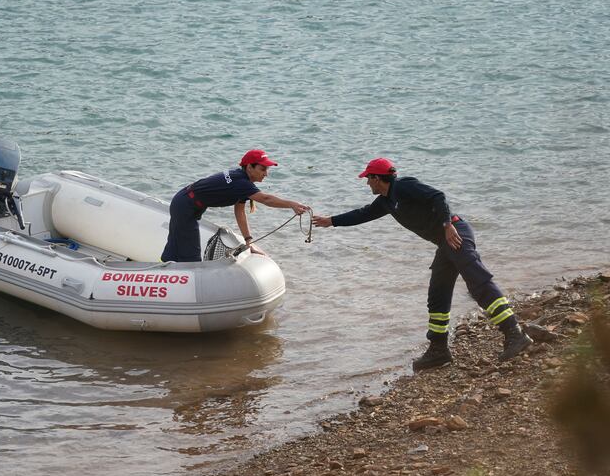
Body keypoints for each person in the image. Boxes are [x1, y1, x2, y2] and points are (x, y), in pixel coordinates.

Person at [311, 157, 533, 371]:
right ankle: (438, 350)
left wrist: (447, 225)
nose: (367, 182)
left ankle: (514, 333)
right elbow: (363, 214)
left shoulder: (404, 186)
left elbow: (438, 196)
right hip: (443, 243)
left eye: (368, 178)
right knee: (438, 293)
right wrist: (331, 221)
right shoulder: (386, 202)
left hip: (455, 235)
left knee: (478, 281)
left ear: (377, 178)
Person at [161, 149, 310, 262]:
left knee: (177, 245)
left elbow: (239, 212)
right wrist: (292, 204)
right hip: (185, 205)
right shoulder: (241, 183)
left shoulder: (241, 179)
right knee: (191, 253)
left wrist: (248, 242)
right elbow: (266, 199)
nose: (266, 174)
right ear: (249, 168)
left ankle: (166, 268)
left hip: (186, 202)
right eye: (263, 169)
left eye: (267, 169)